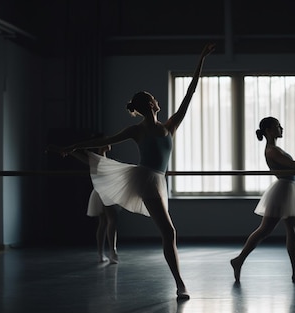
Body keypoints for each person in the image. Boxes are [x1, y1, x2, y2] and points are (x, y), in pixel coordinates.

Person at [58, 43, 215, 299]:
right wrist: (75, 145)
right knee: (169, 232)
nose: (157, 100)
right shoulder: (137, 130)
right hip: (146, 180)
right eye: (154, 98)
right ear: (150, 105)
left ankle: (179, 284)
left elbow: (190, 92)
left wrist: (201, 60)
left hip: (158, 180)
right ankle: (180, 284)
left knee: (168, 233)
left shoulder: (170, 125)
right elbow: (103, 140)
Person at [230, 116, 295, 283]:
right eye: (277, 126)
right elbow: (292, 166)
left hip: (287, 189)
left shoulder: (274, 148)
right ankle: (239, 260)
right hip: (283, 191)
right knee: (265, 230)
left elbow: (292, 166)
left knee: (292, 231)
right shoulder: (272, 150)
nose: (281, 128)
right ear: (268, 130)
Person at [46, 143, 120, 264]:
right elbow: (79, 156)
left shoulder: (103, 159)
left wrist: (67, 150)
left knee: (104, 223)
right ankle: (113, 252)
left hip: (102, 192)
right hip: (104, 193)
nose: (110, 143)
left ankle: (102, 254)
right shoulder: (95, 159)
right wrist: (67, 150)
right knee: (111, 220)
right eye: (107, 141)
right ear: (102, 145)